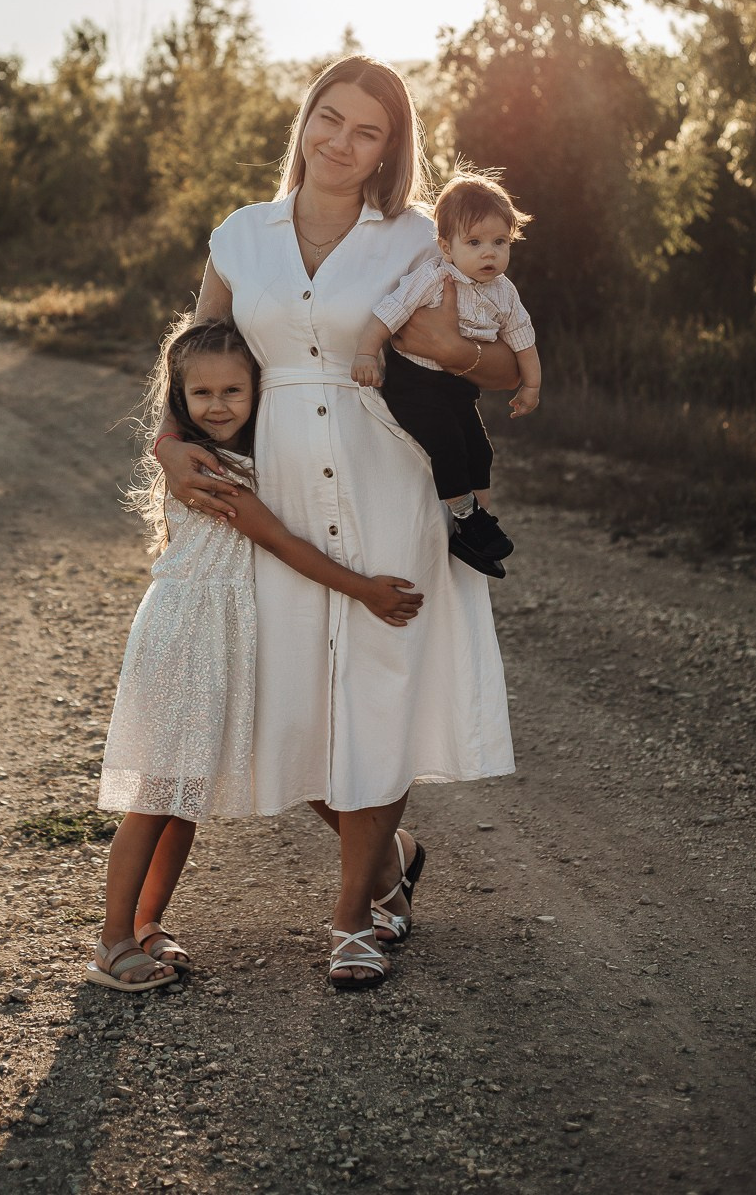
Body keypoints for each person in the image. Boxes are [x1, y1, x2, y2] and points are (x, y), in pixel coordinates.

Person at [155, 57, 519, 989]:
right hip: (271, 482)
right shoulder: (242, 234)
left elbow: (505, 367)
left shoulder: (415, 240)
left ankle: (353, 917)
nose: (342, 143)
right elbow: (198, 358)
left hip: (387, 475)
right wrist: (166, 443)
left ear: (391, 149)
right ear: (304, 119)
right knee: (278, 694)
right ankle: (391, 864)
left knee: (379, 686)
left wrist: (460, 352)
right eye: (330, 118)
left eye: (368, 131)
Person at [90, 315, 425, 993]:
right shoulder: (208, 469)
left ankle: (148, 924)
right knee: (158, 792)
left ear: (258, 391)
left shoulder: (253, 453)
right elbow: (281, 543)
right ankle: (113, 941)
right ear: (179, 400)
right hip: (188, 635)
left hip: (225, 630)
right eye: (202, 395)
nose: (217, 406)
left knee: (188, 789)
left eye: (233, 392)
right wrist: (362, 589)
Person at [351, 170, 542, 579]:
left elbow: (523, 340)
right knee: (448, 443)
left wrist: (532, 385)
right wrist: (367, 352)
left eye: (499, 242)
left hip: (457, 386)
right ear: (447, 247)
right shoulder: (434, 277)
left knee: (482, 451)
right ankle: (466, 515)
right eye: (474, 243)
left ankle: (475, 527)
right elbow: (389, 315)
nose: (488, 253)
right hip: (414, 384)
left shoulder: (505, 292)